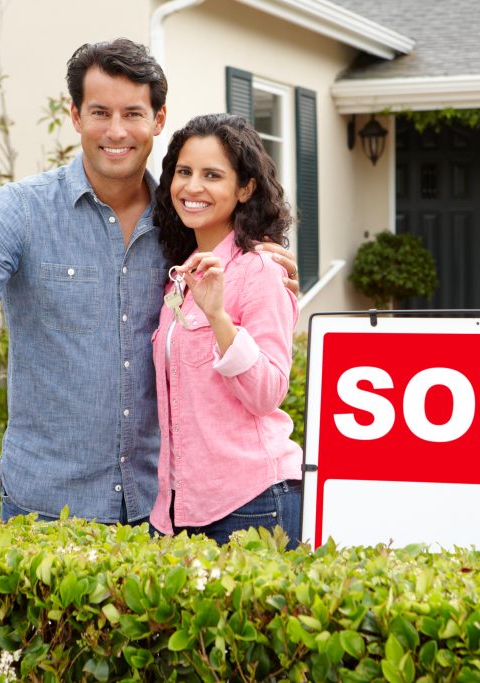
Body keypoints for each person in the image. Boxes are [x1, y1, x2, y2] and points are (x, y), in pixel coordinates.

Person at [0, 39, 298, 526]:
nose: (116, 131)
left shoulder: (185, 223)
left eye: (133, 113)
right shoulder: (21, 211)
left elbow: (244, 289)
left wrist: (264, 263)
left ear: (158, 120)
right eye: (100, 112)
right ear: (75, 115)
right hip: (48, 506)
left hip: (160, 510)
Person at [149, 114, 302, 547]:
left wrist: (219, 318)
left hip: (253, 502)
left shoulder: (262, 270)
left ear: (245, 188)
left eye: (212, 175)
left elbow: (267, 392)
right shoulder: (178, 276)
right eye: (184, 172)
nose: (192, 187)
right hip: (179, 510)